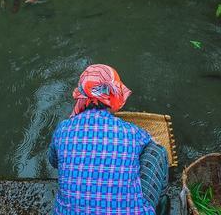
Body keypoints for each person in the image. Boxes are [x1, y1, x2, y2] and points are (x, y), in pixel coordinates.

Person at [48, 64, 169, 214]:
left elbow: (53, 161)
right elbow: (153, 144)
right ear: (113, 94)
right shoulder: (131, 132)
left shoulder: (63, 129)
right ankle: (163, 201)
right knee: (157, 151)